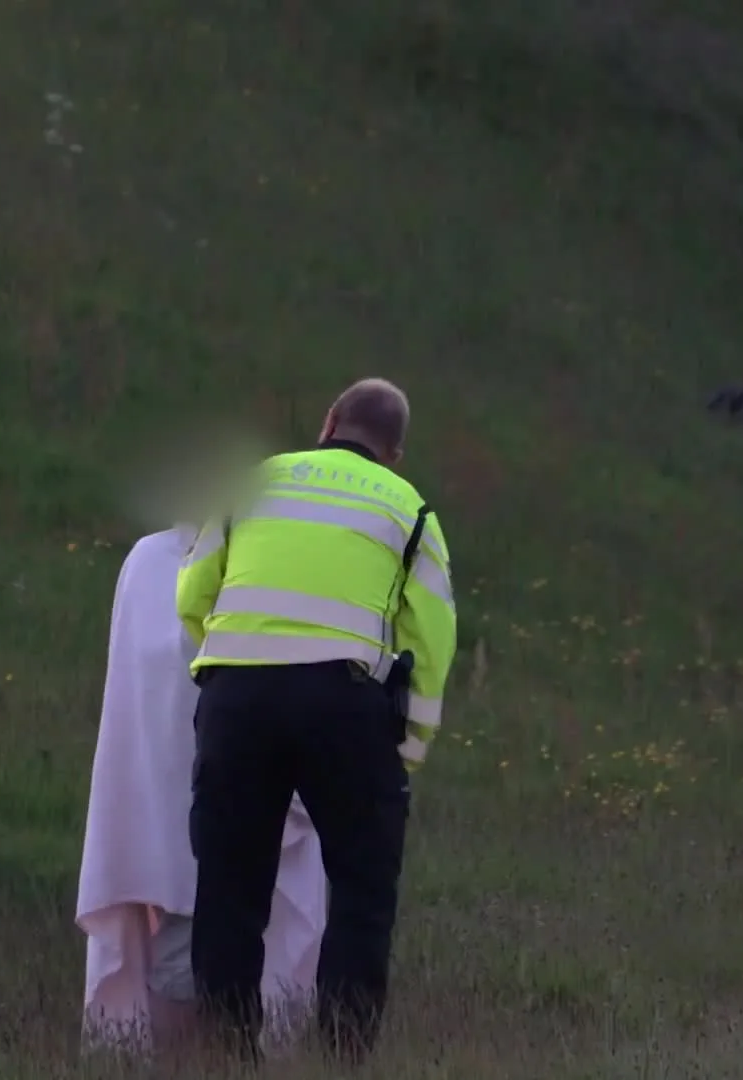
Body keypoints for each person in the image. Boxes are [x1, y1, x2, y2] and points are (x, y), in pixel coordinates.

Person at [176, 377, 458, 1062]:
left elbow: (191, 590)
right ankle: (340, 1056)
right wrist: (407, 753)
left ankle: (225, 1054)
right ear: (394, 452)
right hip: (345, 706)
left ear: (330, 422)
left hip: (238, 701)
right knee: (362, 890)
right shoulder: (410, 510)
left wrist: (227, 659)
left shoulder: (253, 482)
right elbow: (432, 644)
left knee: (229, 885)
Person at [75, 522, 326, 1058]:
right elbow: (137, 690)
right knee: (182, 964)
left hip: (252, 802)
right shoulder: (148, 564)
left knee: (255, 963)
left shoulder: (273, 562)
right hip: (174, 807)